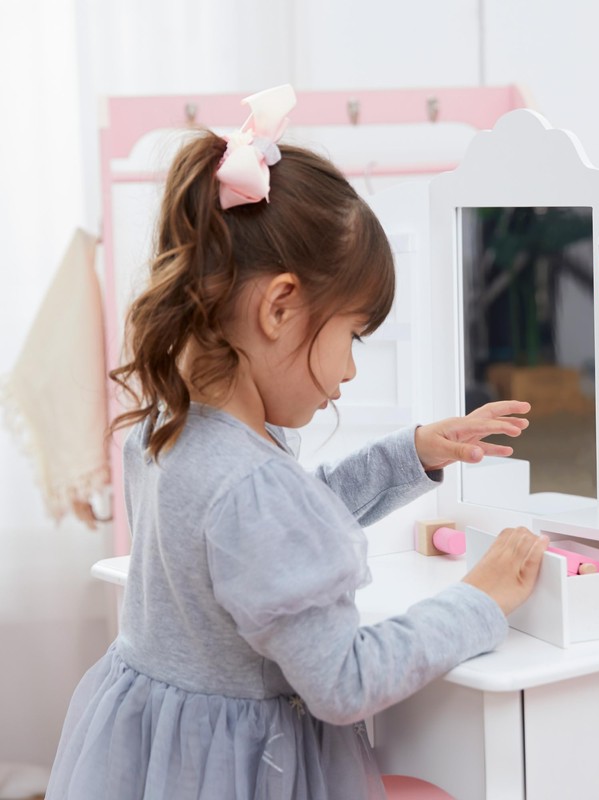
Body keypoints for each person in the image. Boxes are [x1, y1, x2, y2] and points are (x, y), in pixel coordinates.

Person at [45, 86, 549, 800]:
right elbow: (344, 681)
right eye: (352, 337)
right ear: (280, 307)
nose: (347, 370)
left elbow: (279, 528)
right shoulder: (249, 484)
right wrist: (480, 600)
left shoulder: (172, 428)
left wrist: (412, 453)